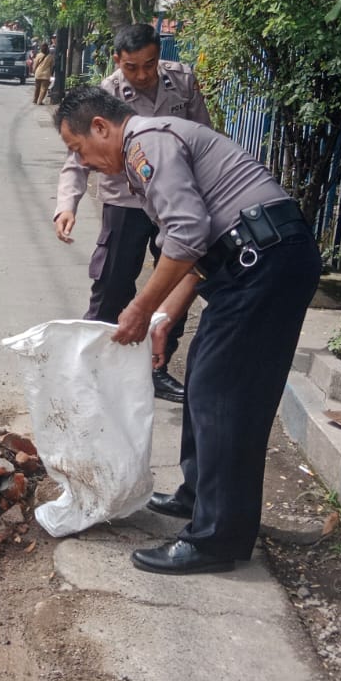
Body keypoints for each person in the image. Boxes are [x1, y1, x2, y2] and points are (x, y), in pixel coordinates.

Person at [54, 87, 319, 574]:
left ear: (100, 127)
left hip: (266, 261)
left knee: (222, 391)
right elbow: (196, 250)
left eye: (80, 149)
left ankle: (216, 538)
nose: (84, 162)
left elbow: (188, 233)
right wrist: (165, 317)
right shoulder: (146, 151)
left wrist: (138, 309)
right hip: (254, 259)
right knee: (203, 376)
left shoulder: (146, 142)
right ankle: (199, 497)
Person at [54, 24, 212, 402]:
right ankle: (94, 366)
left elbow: (201, 135)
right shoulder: (106, 96)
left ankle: (154, 369)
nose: (142, 76)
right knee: (111, 284)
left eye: (149, 65)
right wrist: (67, 204)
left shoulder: (182, 81)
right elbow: (78, 155)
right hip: (124, 202)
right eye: (131, 67)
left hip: (172, 202)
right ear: (117, 61)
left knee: (174, 284)